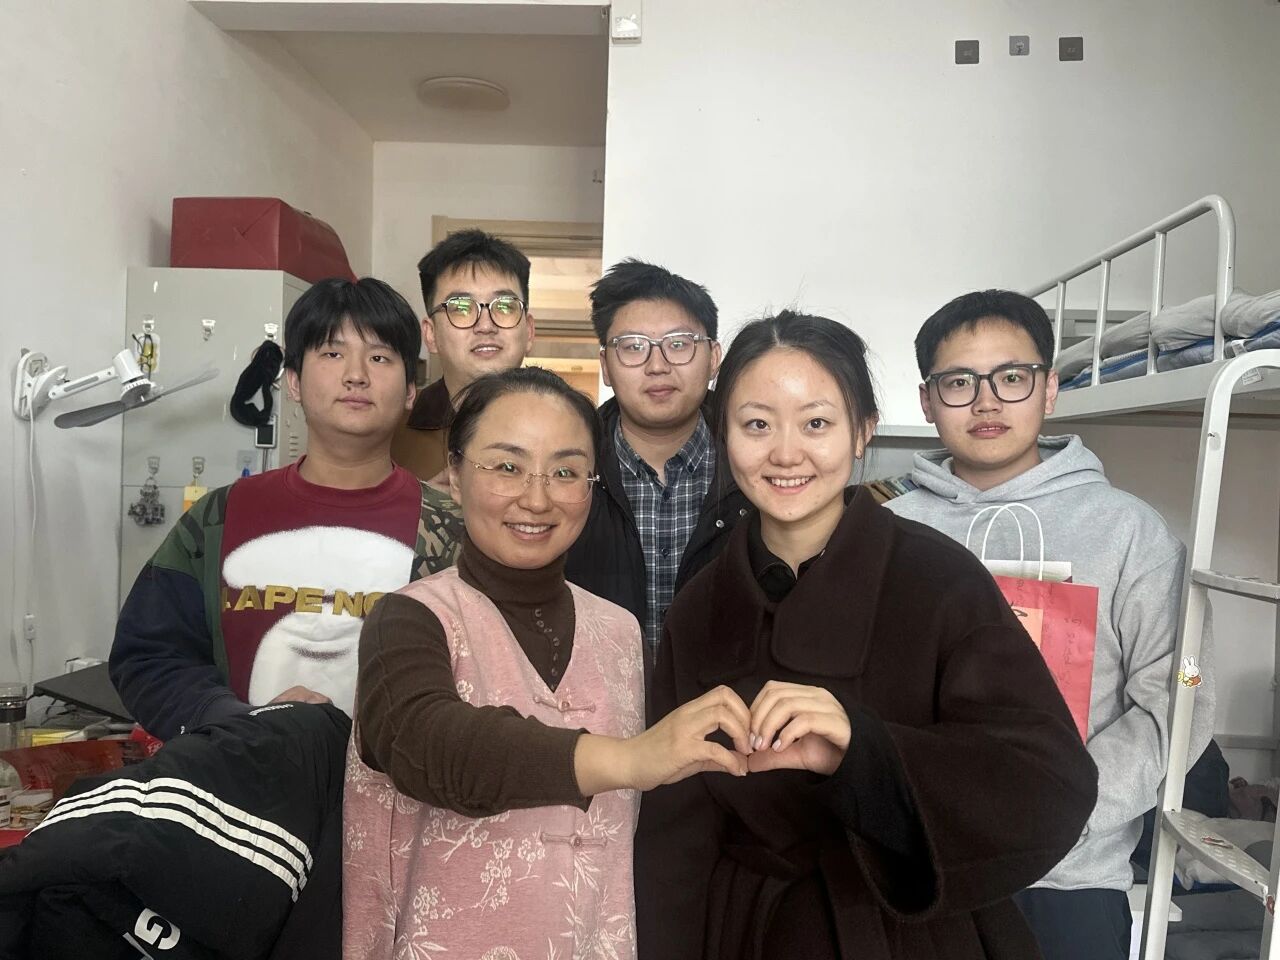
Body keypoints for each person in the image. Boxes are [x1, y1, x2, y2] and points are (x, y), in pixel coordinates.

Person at [634, 310, 1098, 960]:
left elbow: (1047, 783)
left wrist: (861, 751)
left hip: (908, 933)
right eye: (757, 424)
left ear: (862, 431)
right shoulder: (700, 606)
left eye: (816, 423)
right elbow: (674, 829)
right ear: (723, 435)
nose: (786, 453)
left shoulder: (940, 579)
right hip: (741, 930)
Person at [344, 366, 755, 959]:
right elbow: (423, 741)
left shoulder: (620, 632)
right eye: (506, 466)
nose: (536, 499)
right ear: (455, 474)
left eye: (565, 472)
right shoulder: (408, 619)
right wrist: (629, 759)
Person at [885, 289, 1215, 960]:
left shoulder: (1130, 534)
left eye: (1011, 378)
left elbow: (1178, 701)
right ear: (926, 400)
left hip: (1069, 879)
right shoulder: (886, 533)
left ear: (1050, 389)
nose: (986, 402)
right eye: (959, 382)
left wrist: (1062, 806)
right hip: (916, 871)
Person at [110, 277, 464, 741]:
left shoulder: (450, 528)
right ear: (294, 382)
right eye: (332, 353)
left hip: (400, 782)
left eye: (380, 357)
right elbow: (148, 655)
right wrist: (232, 719)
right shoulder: (220, 517)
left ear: (411, 390)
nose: (356, 375)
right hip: (241, 773)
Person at [565, 259, 751, 668]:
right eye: (633, 347)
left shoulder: (757, 465)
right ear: (605, 366)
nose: (657, 365)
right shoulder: (568, 469)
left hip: (730, 701)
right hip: (594, 700)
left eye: (679, 344)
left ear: (714, 357)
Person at [390, 229, 535, 480]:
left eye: (504, 306)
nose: (486, 325)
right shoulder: (390, 429)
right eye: (461, 308)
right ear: (431, 334)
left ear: (529, 331)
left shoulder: (565, 423)